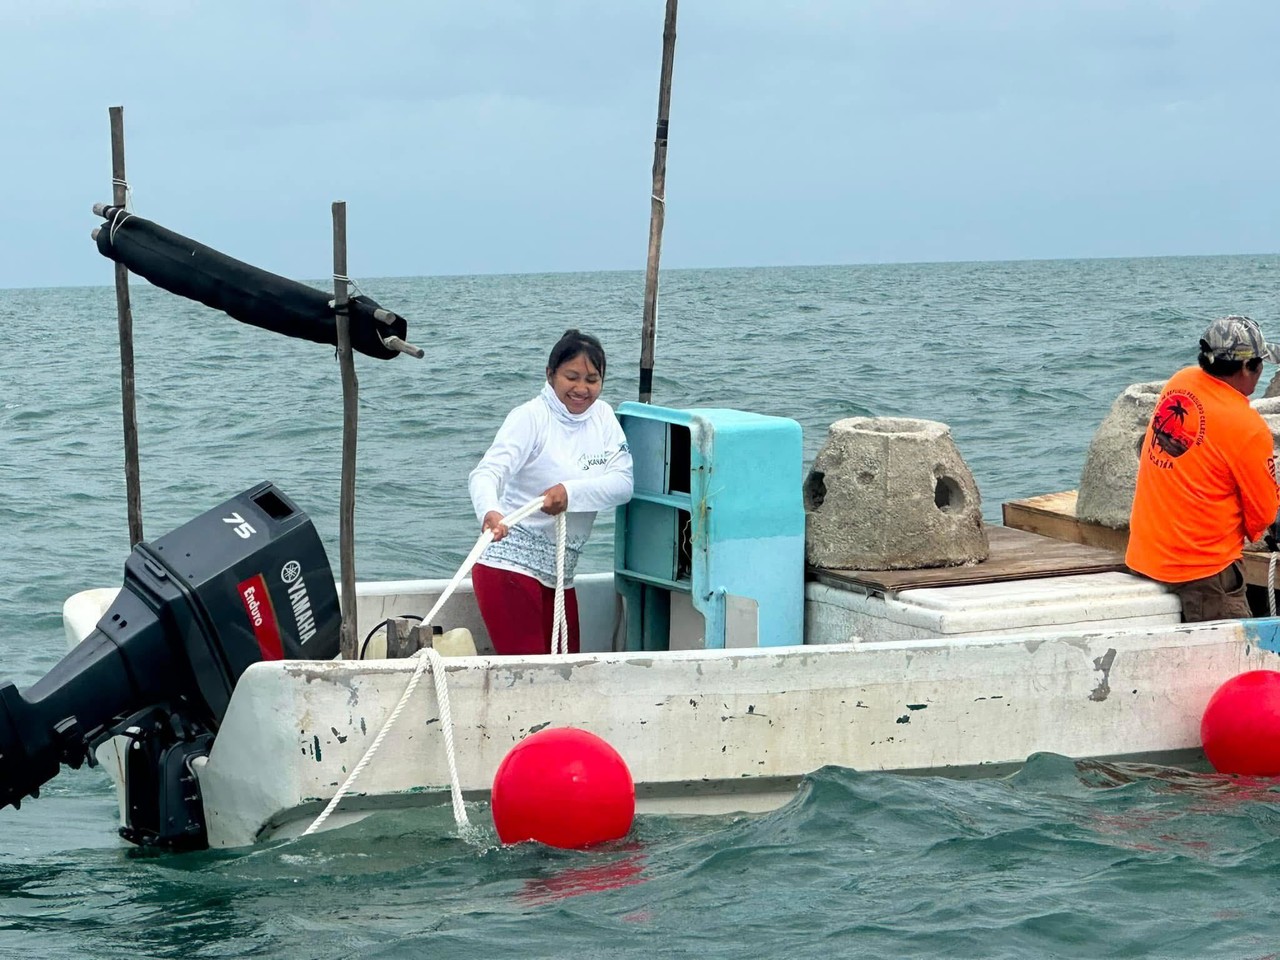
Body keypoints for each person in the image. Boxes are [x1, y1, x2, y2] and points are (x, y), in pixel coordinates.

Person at [468, 328, 634, 654]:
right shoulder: (530, 417)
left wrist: (568, 493)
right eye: (572, 377)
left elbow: (623, 485)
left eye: (592, 379)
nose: (582, 389)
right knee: (533, 679)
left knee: (564, 675)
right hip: (508, 568)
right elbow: (486, 473)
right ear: (550, 374)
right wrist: (490, 511)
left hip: (560, 574)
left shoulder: (603, 417)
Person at [1126, 315, 1280, 622]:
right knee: (1239, 659)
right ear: (1247, 368)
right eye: (1260, 364)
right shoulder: (1247, 427)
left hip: (1145, 555)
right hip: (1203, 573)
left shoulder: (1180, 382)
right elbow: (1262, 516)